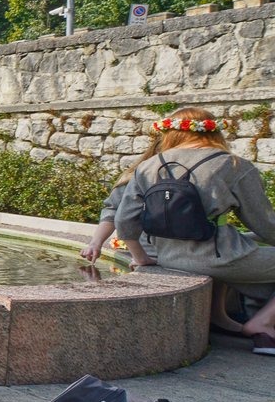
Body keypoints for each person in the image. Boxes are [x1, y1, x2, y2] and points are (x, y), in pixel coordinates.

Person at [113, 107, 275, 353]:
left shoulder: (148, 166)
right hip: (222, 258)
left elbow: (124, 221)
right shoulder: (232, 164)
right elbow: (265, 224)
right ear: (214, 130)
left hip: (168, 257)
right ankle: (263, 324)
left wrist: (141, 258)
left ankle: (219, 319)